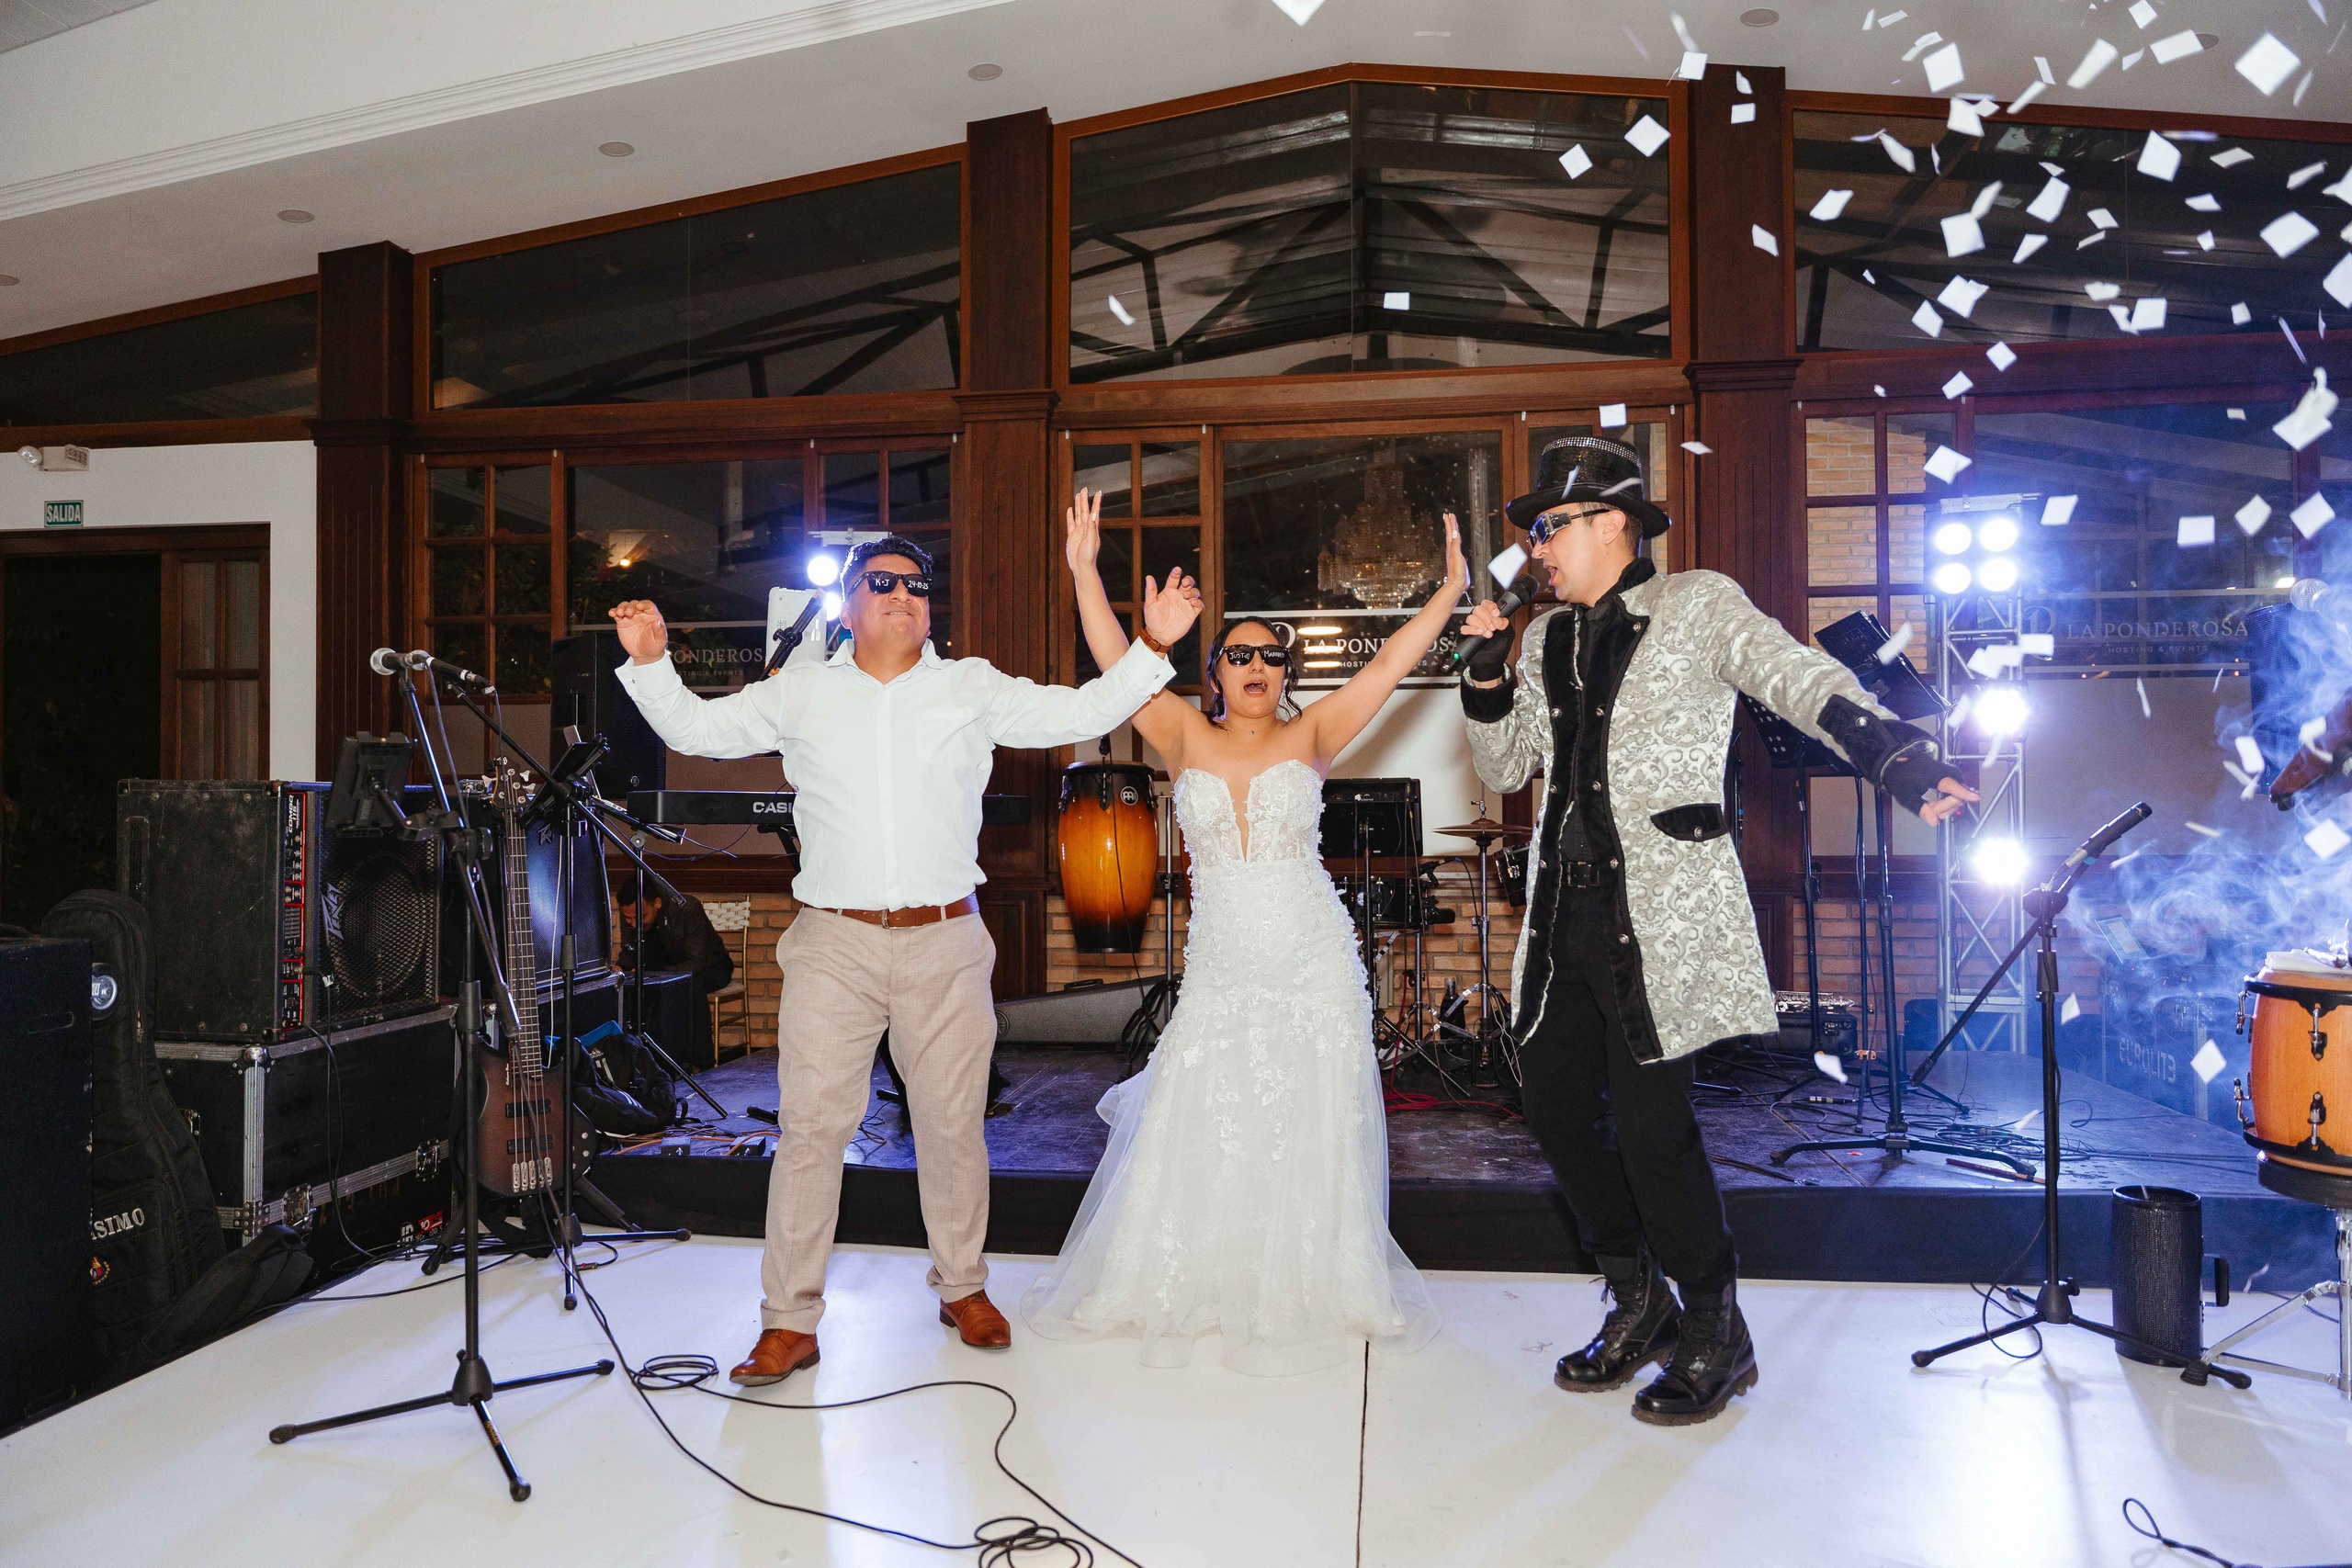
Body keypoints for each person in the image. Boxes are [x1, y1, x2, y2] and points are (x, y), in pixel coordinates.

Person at [1455, 435, 1976, 1425]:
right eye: (1530, 533)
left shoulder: (1697, 603)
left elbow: (1794, 679)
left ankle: (1714, 1329)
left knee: (1656, 1135)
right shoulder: (1547, 639)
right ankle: (1636, 1296)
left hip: (1660, 920)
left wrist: (1899, 757)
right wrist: (1484, 675)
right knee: (1558, 1114)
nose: (1535, 548)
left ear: (1614, 521)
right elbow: (1504, 766)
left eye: (1548, 527)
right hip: (1562, 916)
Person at [606, 534, 1200, 1385]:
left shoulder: (971, 686)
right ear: (847, 605)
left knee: (954, 1128)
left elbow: (1080, 712)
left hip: (947, 939)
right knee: (813, 1130)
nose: (902, 595)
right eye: (881, 583)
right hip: (833, 942)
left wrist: (1154, 647)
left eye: (917, 585)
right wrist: (653, 664)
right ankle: (789, 1321)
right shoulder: (802, 690)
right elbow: (698, 725)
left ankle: (964, 1287)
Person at [1019, 486, 1452, 1375]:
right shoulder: (1177, 732)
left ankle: (1319, 1280)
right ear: (1212, 670)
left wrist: (1443, 596)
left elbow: (1389, 668)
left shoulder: (1316, 734)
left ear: (1287, 675)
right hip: (1222, 962)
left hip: (1311, 959)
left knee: (1310, 1115)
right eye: (1238, 653)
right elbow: (1115, 663)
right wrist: (1081, 571)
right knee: (1206, 1111)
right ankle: (1196, 1277)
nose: (1257, 666)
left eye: (1271, 656)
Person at [619, 886, 734, 1068]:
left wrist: (656, 972)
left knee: (690, 984)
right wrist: (621, 968)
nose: (633, 923)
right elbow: (629, 952)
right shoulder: (633, 914)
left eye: (640, 917)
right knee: (630, 986)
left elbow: (696, 963)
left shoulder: (687, 908)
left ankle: (702, 1063)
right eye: (628, 919)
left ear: (657, 903)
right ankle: (641, 1060)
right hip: (660, 969)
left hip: (711, 967)